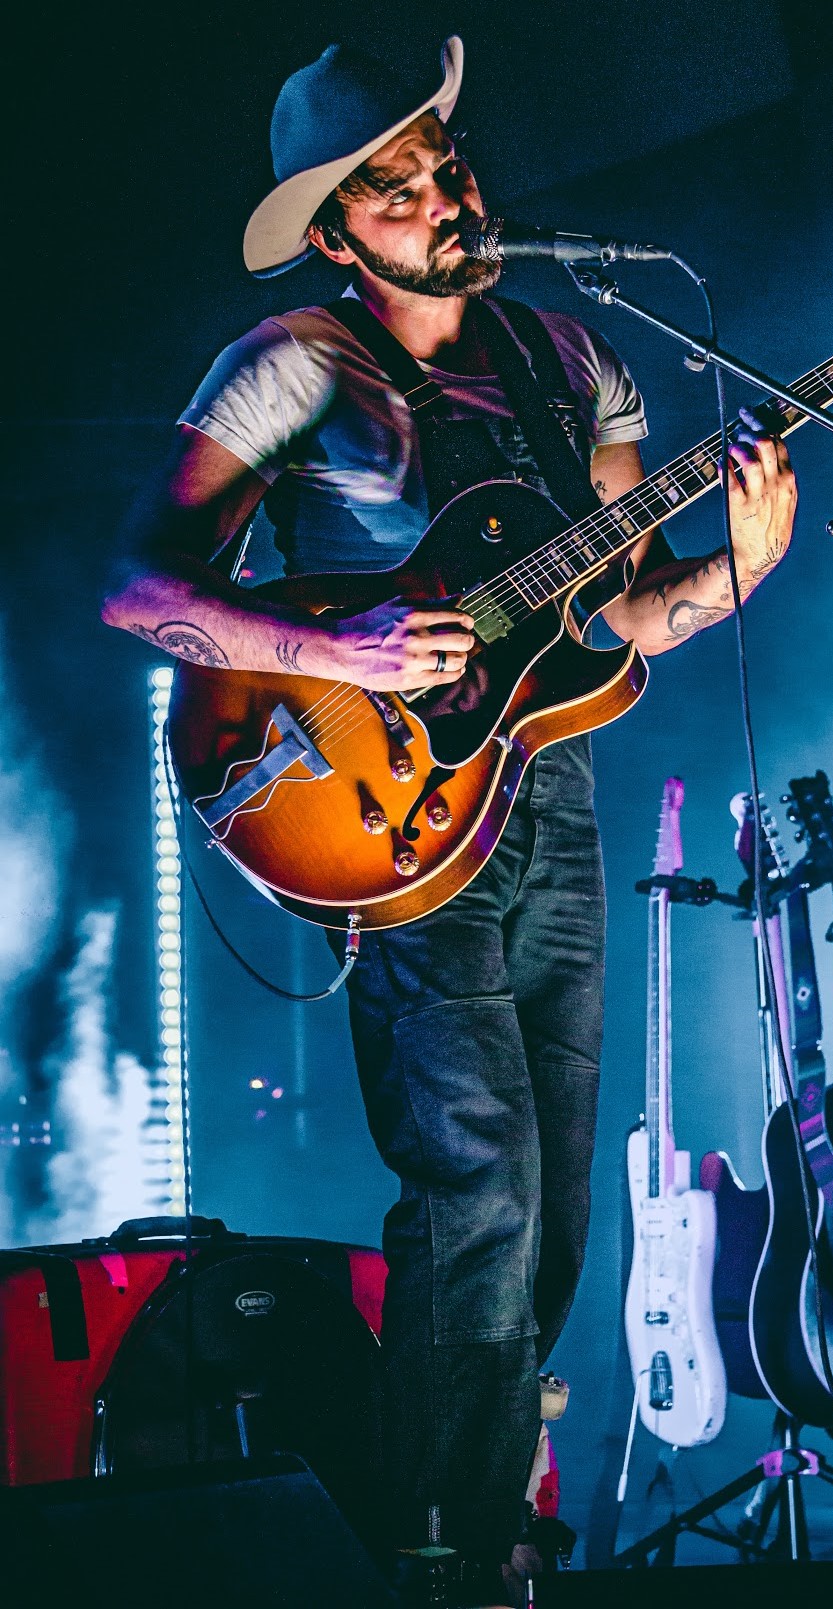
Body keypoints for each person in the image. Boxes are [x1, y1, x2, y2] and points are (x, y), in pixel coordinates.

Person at [101, 33, 796, 1605]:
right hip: (378, 810)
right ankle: (458, 1556)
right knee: (473, 1179)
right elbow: (137, 589)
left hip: (545, 787)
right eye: (396, 186)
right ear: (340, 235)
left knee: (547, 1211)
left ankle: (438, 1512)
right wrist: (326, 648)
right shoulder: (292, 363)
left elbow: (619, 618)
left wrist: (736, 566)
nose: (442, 195)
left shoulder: (575, 364)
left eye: (448, 164)